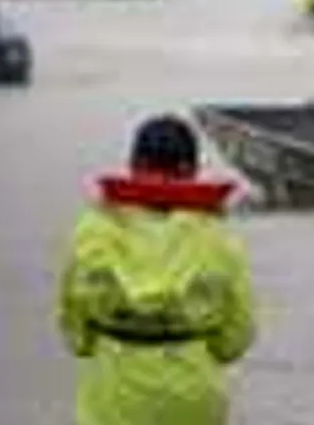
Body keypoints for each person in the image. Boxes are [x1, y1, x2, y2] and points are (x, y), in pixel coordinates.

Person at [58, 115, 256, 425]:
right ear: (191, 170)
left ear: (134, 166)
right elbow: (236, 339)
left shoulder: (94, 231)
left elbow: (76, 336)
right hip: (192, 396)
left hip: (113, 395)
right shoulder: (218, 238)